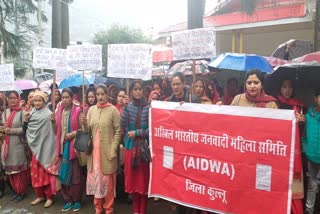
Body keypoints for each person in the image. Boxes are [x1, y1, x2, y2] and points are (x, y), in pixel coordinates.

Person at [82, 84, 121, 214]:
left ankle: (108, 209)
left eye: (102, 94)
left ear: (107, 95)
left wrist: (113, 149)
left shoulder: (113, 110)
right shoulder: (92, 110)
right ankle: (98, 208)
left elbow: (118, 131)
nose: (99, 97)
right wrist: (84, 124)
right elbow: (87, 131)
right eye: (97, 94)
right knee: (96, 181)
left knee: (108, 184)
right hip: (93, 154)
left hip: (107, 154)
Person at [23, 91, 56, 208]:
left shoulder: (49, 114)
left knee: (45, 172)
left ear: (44, 101)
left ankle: (49, 197)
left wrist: (53, 121)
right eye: (35, 100)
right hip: (34, 149)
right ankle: (40, 196)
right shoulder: (30, 113)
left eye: (39, 100)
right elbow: (25, 130)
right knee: (35, 173)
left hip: (46, 149)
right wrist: (26, 121)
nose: (37, 103)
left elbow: (53, 132)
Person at [121, 80, 150, 214]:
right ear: (131, 91)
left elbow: (152, 129)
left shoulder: (149, 107)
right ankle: (135, 211)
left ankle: (142, 211)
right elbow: (122, 125)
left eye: (140, 89)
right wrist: (125, 108)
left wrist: (137, 133)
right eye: (135, 89)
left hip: (143, 150)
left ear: (143, 90)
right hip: (130, 149)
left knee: (143, 183)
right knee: (133, 183)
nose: (138, 91)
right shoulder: (128, 106)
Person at [277, 79, 305, 214]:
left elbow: (303, 133)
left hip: (294, 151)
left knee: (293, 184)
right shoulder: (275, 104)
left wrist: (302, 122)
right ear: (280, 88)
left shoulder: (298, 106)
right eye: (284, 87)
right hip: (279, 149)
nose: (287, 90)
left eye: (290, 87)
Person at [53, 88, 83, 212]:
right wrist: (52, 121)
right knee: (64, 175)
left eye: (67, 97)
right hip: (61, 147)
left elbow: (83, 130)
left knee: (75, 175)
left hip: (73, 148)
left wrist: (73, 134)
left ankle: (76, 200)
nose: (65, 100)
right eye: (63, 97)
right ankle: (67, 200)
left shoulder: (78, 111)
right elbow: (56, 131)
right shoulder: (58, 111)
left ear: (72, 98)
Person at [1, 90, 29, 202]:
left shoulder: (22, 112)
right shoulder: (5, 113)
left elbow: (24, 130)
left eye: (14, 98)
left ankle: (21, 192)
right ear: (7, 100)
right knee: (10, 171)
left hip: (18, 145)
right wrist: (3, 128)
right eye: (10, 98)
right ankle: (16, 191)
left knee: (19, 172)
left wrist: (9, 130)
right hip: (7, 145)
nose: (12, 100)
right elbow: (4, 130)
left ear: (18, 99)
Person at [304, 89, 320, 214]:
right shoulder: (309, 116)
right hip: (312, 157)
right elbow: (304, 135)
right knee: (312, 185)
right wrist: (306, 149)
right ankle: (309, 210)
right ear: (315, 99)